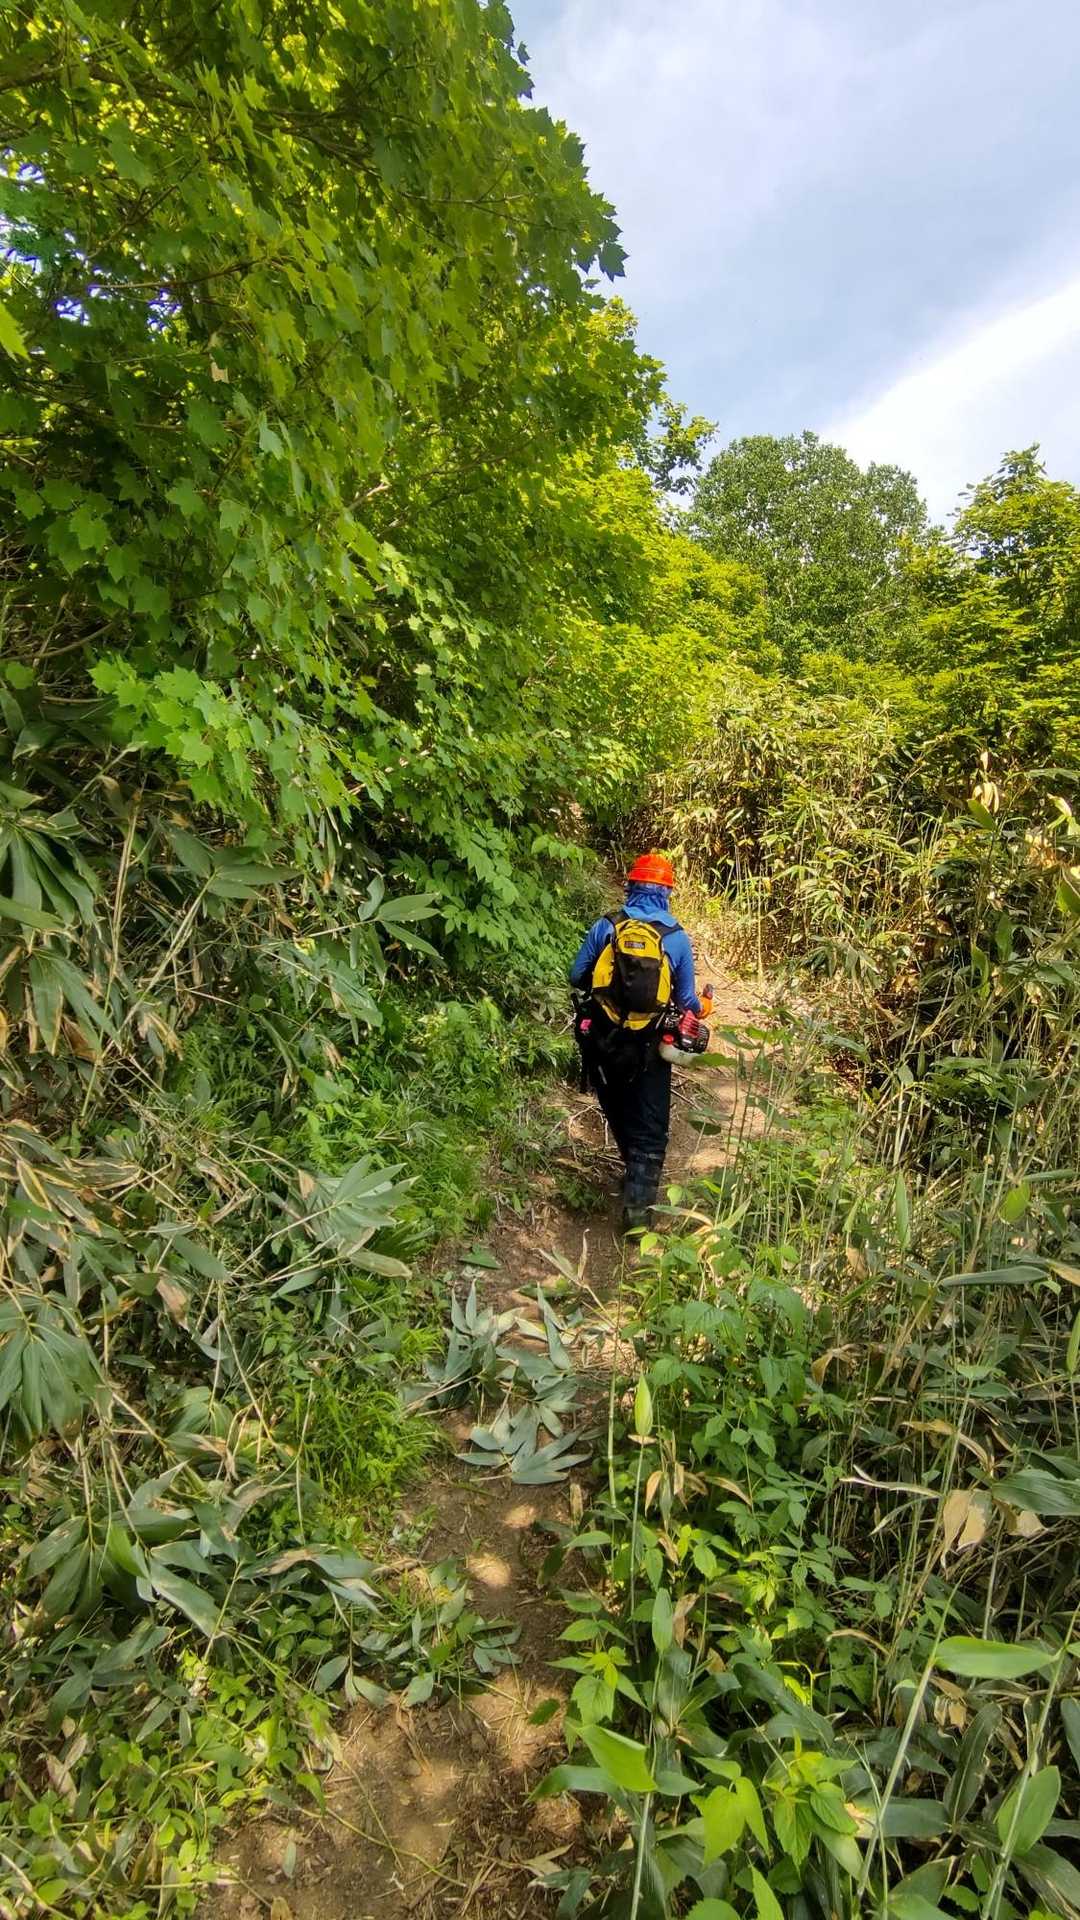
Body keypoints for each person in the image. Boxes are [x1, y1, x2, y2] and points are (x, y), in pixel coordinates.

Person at [570, 852, 703, 1232]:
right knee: (651, 1124)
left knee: (616, 1104)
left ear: (630, 887)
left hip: (602, 1037)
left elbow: (577, 975)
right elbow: (686, 1001)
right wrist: (702, 1007)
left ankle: (634, 1177)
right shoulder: (675, 938)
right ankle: (638, 1212)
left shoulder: (607, 926)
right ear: (666, 892)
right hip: (648, 1044)